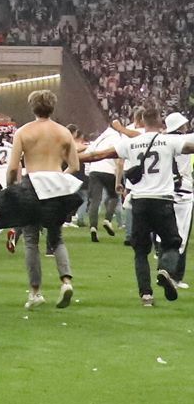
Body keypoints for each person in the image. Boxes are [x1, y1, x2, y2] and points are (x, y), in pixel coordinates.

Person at [83, 106, 194, 306]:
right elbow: (189, 147)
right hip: (163, 199)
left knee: (141, 251)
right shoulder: (170, 141)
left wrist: (68, 157)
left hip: (140, 201)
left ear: (141, 121)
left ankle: (146, 295)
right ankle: (165, 270)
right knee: (172, 242)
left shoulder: (131, 143)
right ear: (161, 121)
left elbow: (98, 155)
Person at [4, 90, 81, 310]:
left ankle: (35, 291)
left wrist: (11, 188)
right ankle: (66, 281)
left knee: (30, 240)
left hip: (33, 183)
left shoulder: (23, 132)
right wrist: (59, 179)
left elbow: (12, 167)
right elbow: (75, 165)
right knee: (56, 237)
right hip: (55, 184)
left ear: (32, 107)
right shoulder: (63, 132)